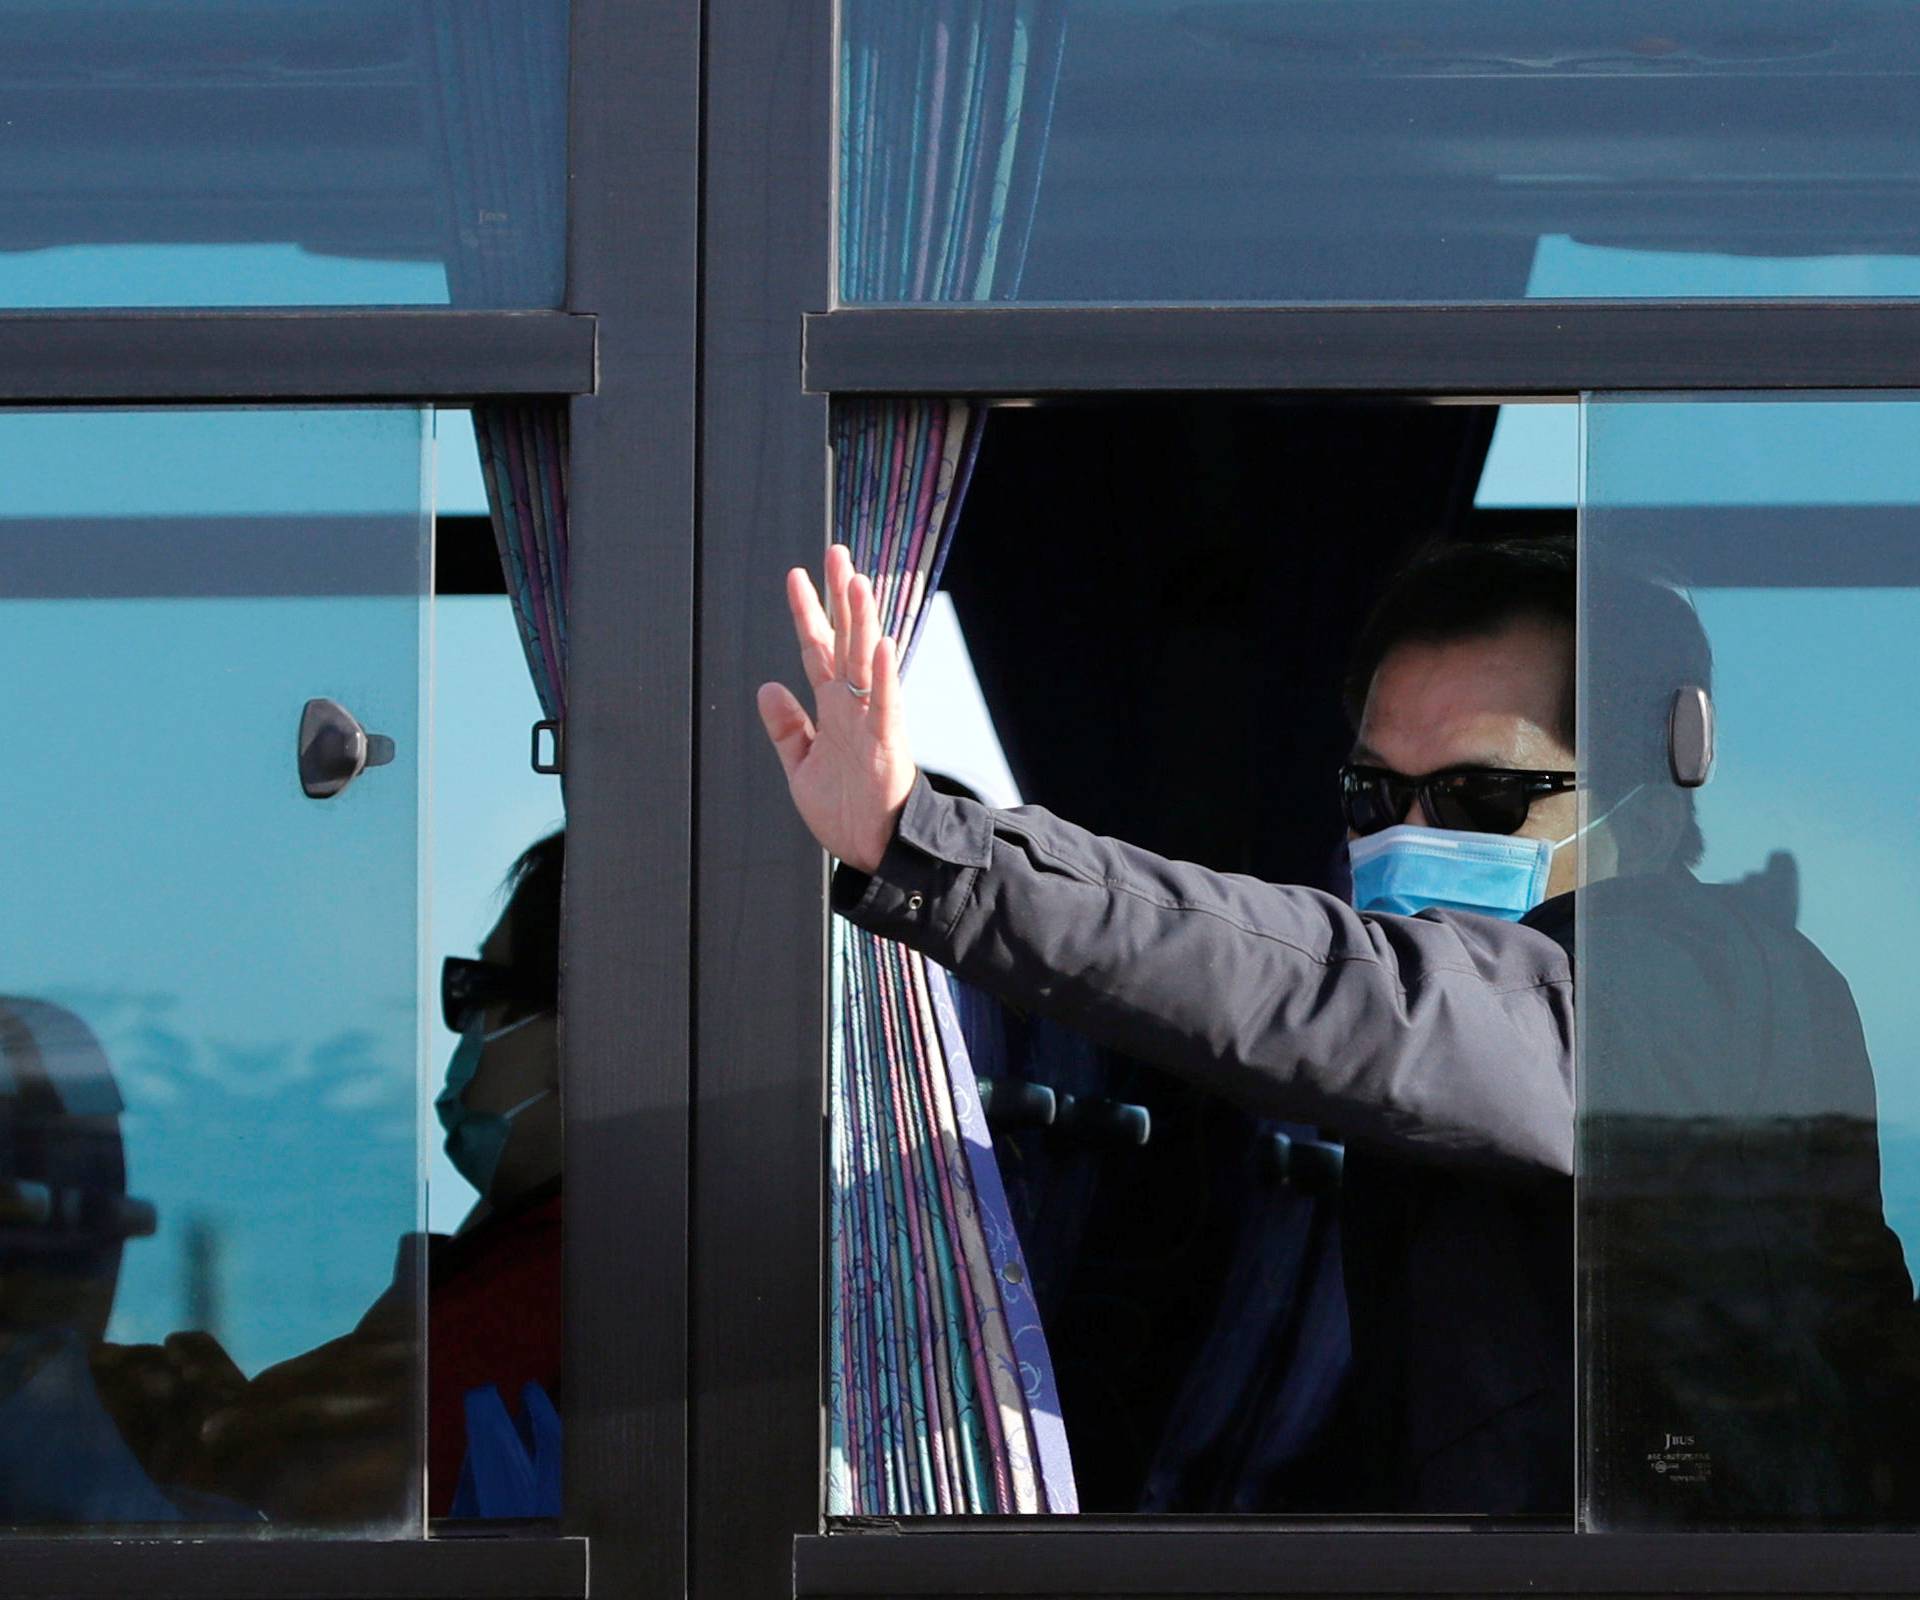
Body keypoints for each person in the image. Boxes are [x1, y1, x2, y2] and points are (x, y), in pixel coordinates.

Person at [758, 537, 1918, 1519]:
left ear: (1651, 806)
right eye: (1377, 796)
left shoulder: (1693, 983)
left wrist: (925, 843)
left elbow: (1365, 999)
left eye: (1478, 799)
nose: (1412, 834)